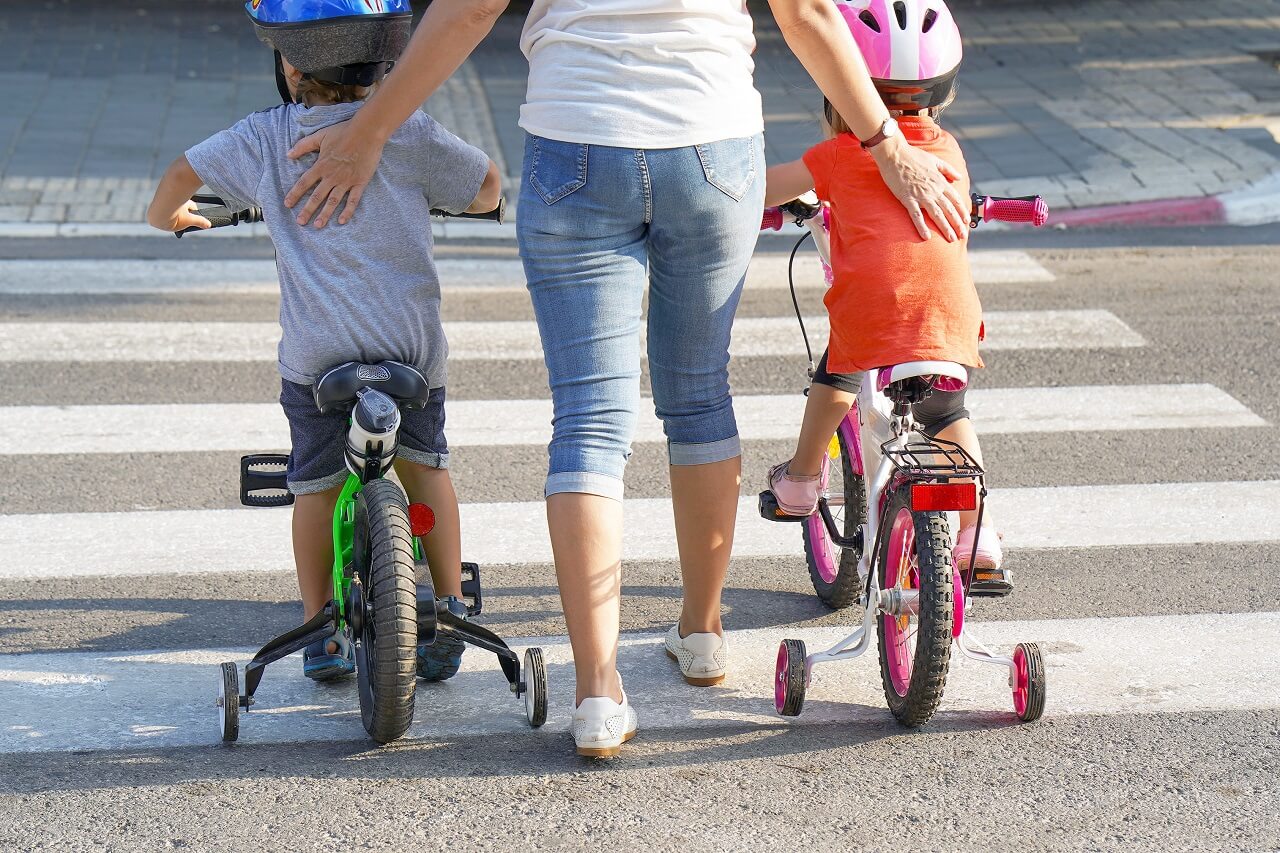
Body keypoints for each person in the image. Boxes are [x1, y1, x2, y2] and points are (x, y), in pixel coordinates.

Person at [278, 0, 972, 758]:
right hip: (712, 144)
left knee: (587, 420)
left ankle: (599, 691)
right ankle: (702, 634)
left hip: (579, 143)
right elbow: (807, 14)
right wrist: (888, 146)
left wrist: (370, 129)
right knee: (700, 393)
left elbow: (471, 9)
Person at [145, 0, 502, 682]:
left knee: (313, 487)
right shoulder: (408, 130)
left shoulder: (263, 139)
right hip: (411, 355)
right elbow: (488, 187)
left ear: (288, 61)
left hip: (320, 362)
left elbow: (173, 185)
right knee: (428, 466)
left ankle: (320, 628)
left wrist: (177, 218)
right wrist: (443, 194)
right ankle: (450, 603)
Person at [763, 0, 1007, 592]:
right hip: (949, 319)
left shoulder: (836, 156)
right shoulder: (950, 154)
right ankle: (981, 538)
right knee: (948, 415)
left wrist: (745, 206)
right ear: (943, 94)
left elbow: (757, 191)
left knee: (838, 374)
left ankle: (799, 481)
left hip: (876, 317)